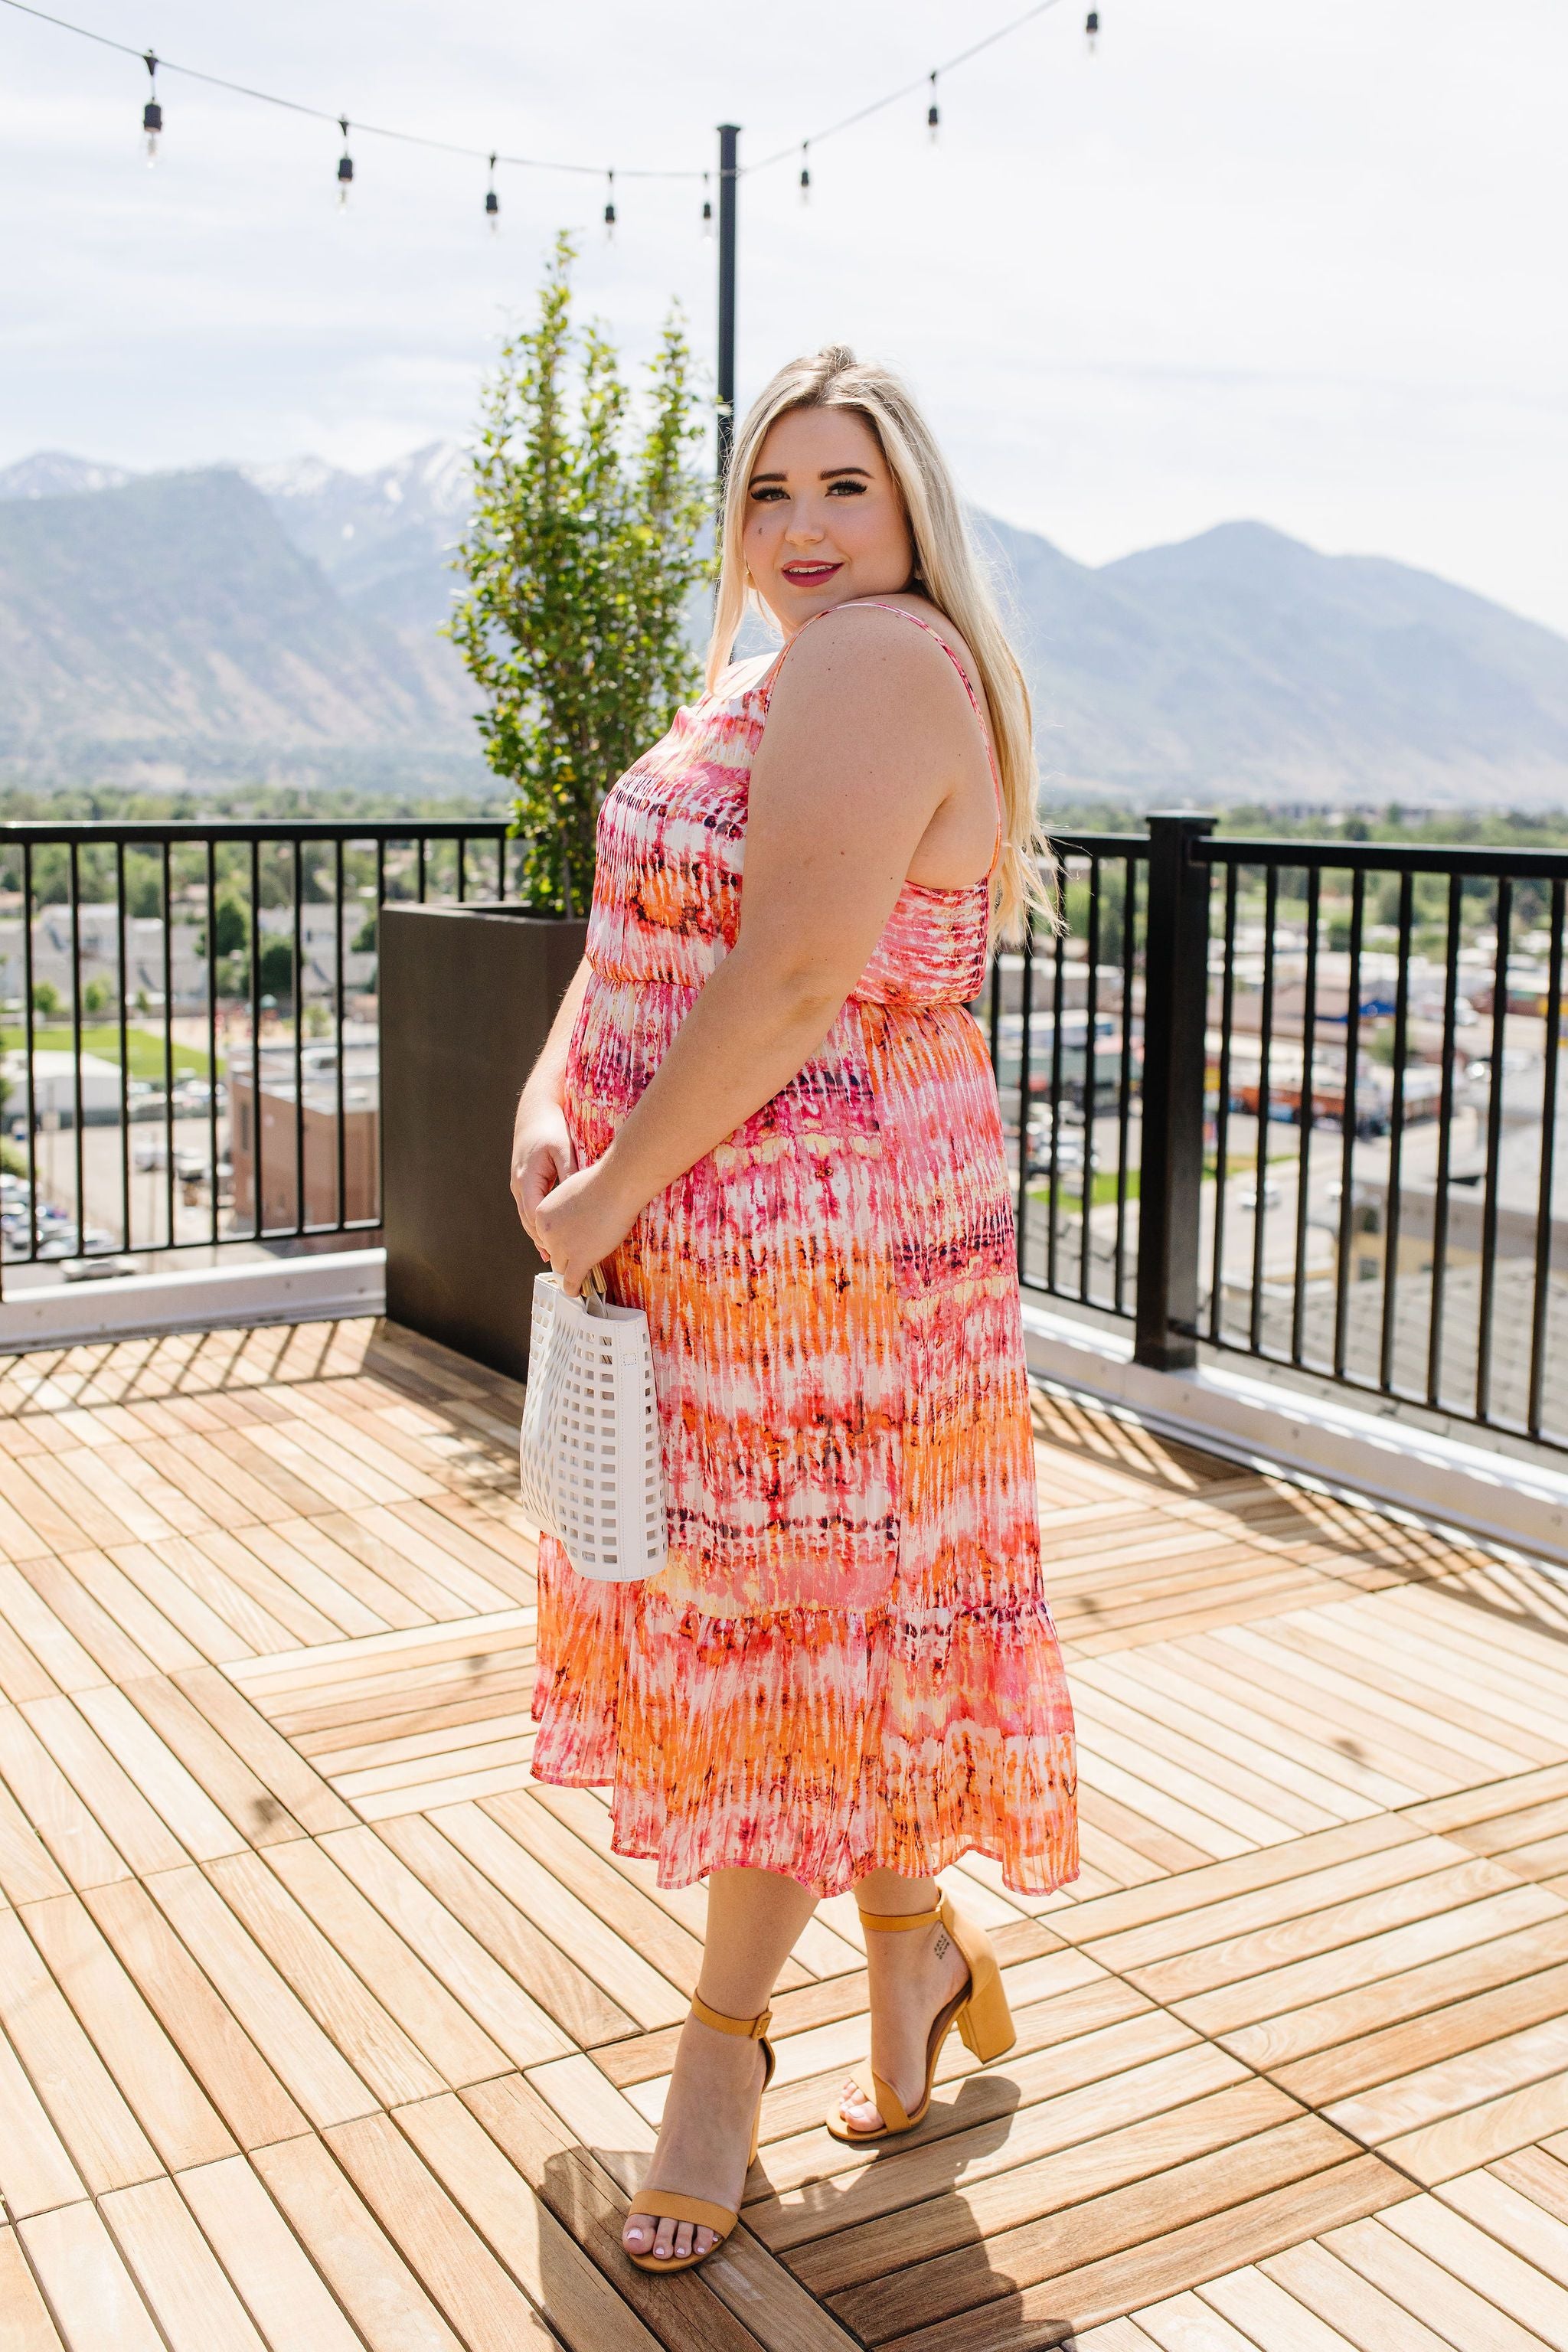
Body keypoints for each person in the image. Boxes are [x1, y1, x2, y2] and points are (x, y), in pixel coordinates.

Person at [511, 345, 1077, 2273]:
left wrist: (602, 1182)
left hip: (822, 1240)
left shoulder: (871, 661)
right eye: (770, 494)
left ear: (913, 506)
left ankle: (720, 2054)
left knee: (782, 1629)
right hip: (725, 1226)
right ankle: (912, 1948)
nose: (805, 528)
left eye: (845, 487)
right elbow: (641, 954)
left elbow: (784, 984)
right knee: (829, 1618)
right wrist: (547, 1101)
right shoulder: (765, 675)